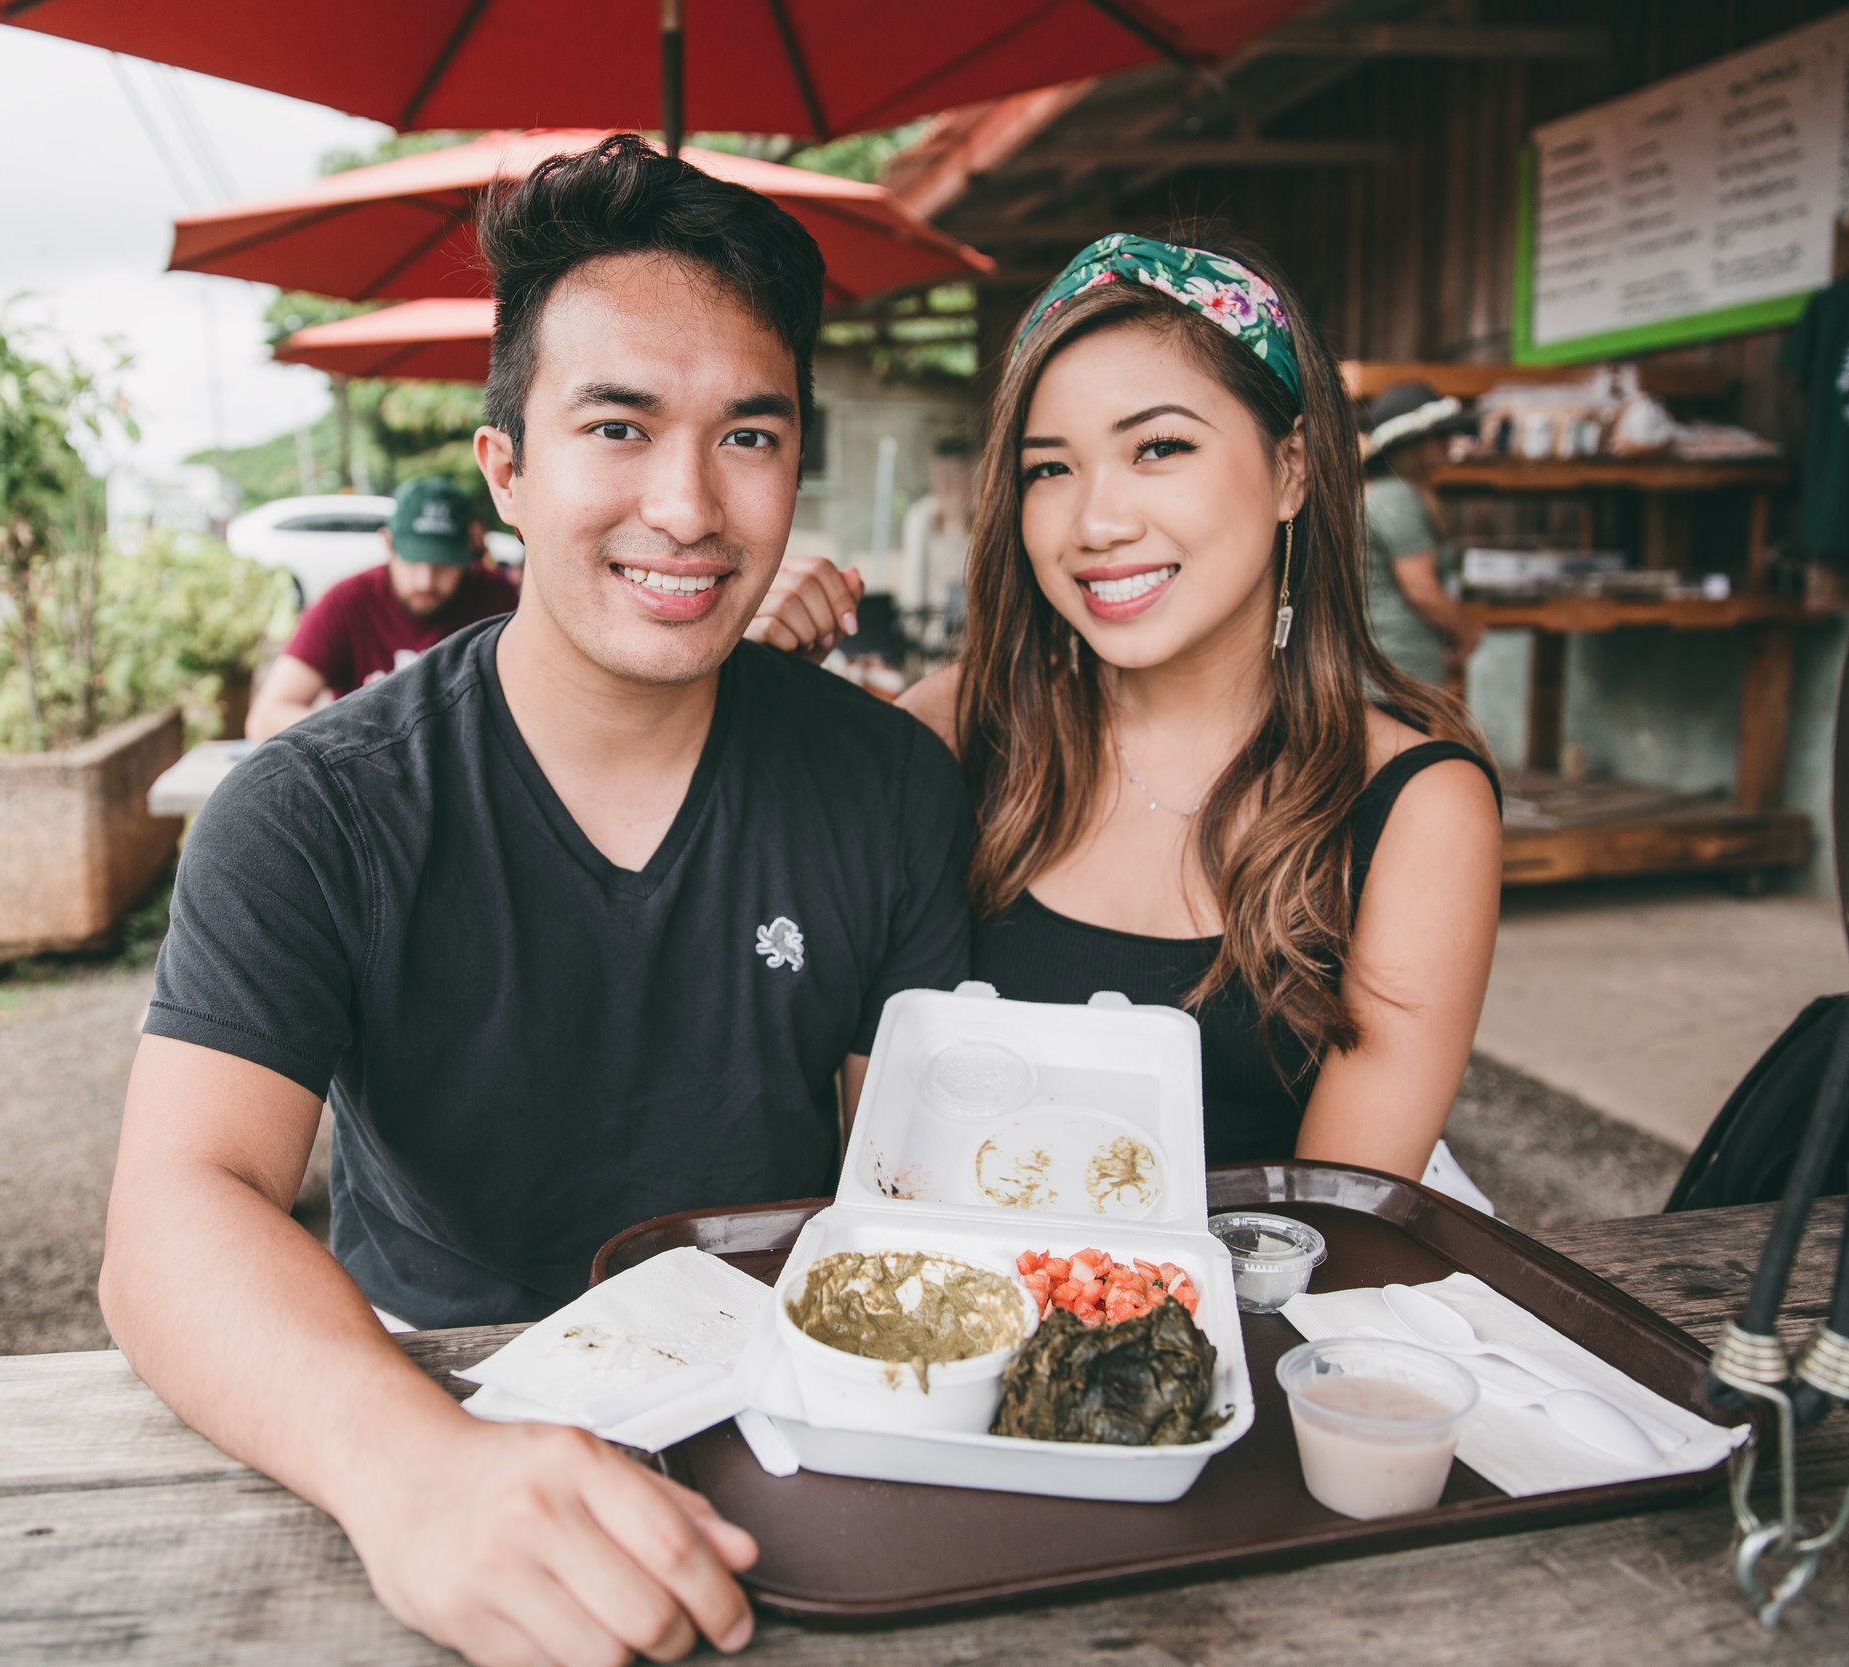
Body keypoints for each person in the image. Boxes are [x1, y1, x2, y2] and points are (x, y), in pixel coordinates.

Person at [104, 134, 972, 1667]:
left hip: (788, 1432)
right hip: (414, 1405)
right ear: (505, 464)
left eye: (748, 436)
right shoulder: (315, 810)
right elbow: (176, 1210)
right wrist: (410, 1466)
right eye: (618, 426)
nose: (689, 505)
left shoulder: (885, 786)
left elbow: (914, 1186)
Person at [885, 233, 1503, 1180]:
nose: (1097, 522)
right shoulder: (958, 730)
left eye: (1159, 447)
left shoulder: (1414, 807)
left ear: (1293, 467)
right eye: (1049, 468)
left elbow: (1341, 1221)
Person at [245, 476, 522, 738]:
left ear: (468, 552)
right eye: (413, 560)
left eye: (443, 564)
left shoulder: (496, 598)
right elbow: (265, 719)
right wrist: (363, 724)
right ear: (388, 544)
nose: (425, 581)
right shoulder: (347, 602)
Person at [1357, 380, 1482, 687]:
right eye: (1440, 435)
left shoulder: (1380, 493)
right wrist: (1469, 635)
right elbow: (1422, 590)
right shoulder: (1397, 497)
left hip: (1384, 668)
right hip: (1398, 669)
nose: (1449, 442)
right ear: (1415, 444)